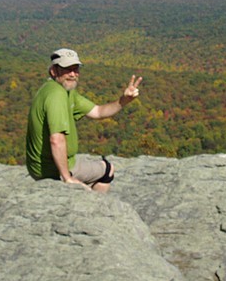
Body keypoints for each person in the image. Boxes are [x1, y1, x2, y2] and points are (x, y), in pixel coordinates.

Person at [26, 48, 142, 192]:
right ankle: (94, 208)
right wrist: (67, 178)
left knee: (94, 170)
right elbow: (56, 140)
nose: (73, 74)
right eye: (67, 69)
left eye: (76, 69)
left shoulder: (63, 91)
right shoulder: (56, 95)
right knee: (107, 170)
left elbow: (98, 112)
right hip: (52, 169)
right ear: (53, 71)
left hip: (48, 164)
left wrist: (124, 100)